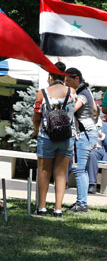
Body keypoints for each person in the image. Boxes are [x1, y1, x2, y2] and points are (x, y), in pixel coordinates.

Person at [31, 62, 76, 218]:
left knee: (44, 172)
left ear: (50, 75)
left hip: (46, 137)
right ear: (63, 76)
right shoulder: (72, 92)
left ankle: (42, 208)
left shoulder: (42, 92)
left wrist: (36, 130)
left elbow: (36, 117)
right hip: (67, 137)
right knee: (61, 173)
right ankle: (58, 209)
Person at [64, 67, 98, 213]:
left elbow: (71, 109)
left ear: (76, 78)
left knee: (79, 170)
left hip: (85, 135)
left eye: (68, 81)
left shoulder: (82, 94)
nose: (66, 84)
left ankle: (82, 204)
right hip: (89, 134)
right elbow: (96, 110)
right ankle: (81, 203)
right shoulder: (85, 91)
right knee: (81, 170)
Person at [86, 117, 107, 193]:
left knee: (92, 154)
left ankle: (92, 184)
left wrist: (102, 136)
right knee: (91, 154)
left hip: (101, 149)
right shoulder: (86, 125)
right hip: (88, 149)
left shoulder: (105, 126)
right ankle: (91, 184)